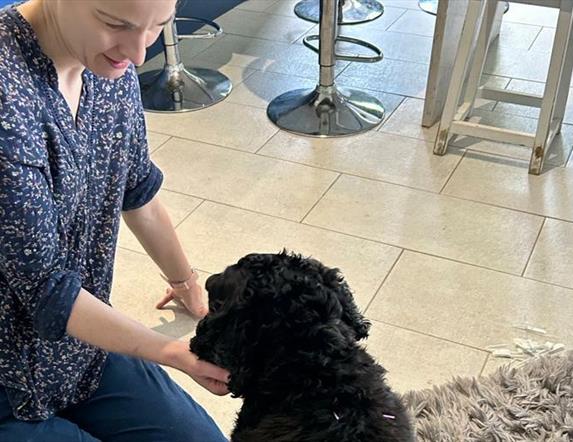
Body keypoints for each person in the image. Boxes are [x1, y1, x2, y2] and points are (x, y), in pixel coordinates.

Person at [0, 0, 230, 440]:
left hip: (80, 349)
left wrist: (187, 284)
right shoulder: (8, 94)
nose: (140, 53)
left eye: (157, 27)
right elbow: (47, 289)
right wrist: (172, 352)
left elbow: (136, 186)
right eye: (115, 24)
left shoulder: (109, 66)